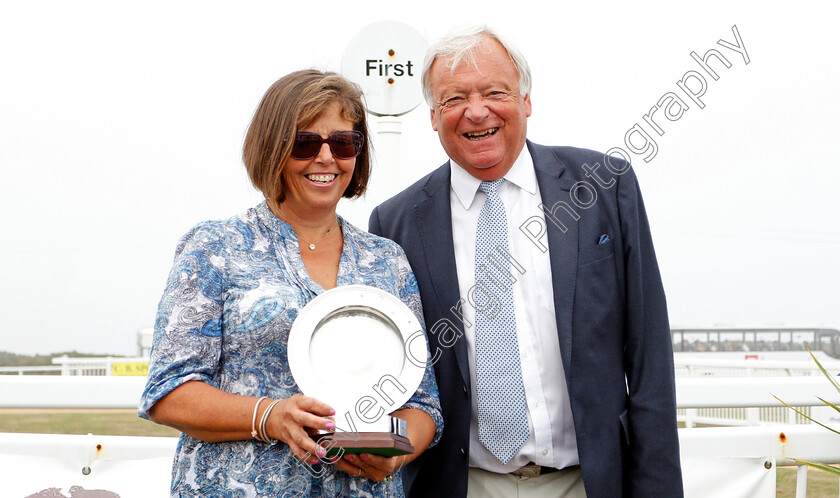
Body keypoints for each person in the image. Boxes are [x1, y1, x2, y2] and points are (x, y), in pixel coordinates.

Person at [369, 26, 682, 497]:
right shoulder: (394, 224)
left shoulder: (603, 187)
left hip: (590, 480)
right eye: (454, 99)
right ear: (434, 116)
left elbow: (648, 355)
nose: (477, 111)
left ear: (526, 100)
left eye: (495, 92)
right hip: (462, 484)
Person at [139, 70, 442, 497]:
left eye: (343, 143)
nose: (326, 158)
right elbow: (168, 391)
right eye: (305, 143)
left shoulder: (387, 260)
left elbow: (422, 404)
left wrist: (396, 452)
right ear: (272, 148)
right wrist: (270, 417)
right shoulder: (214, 247)